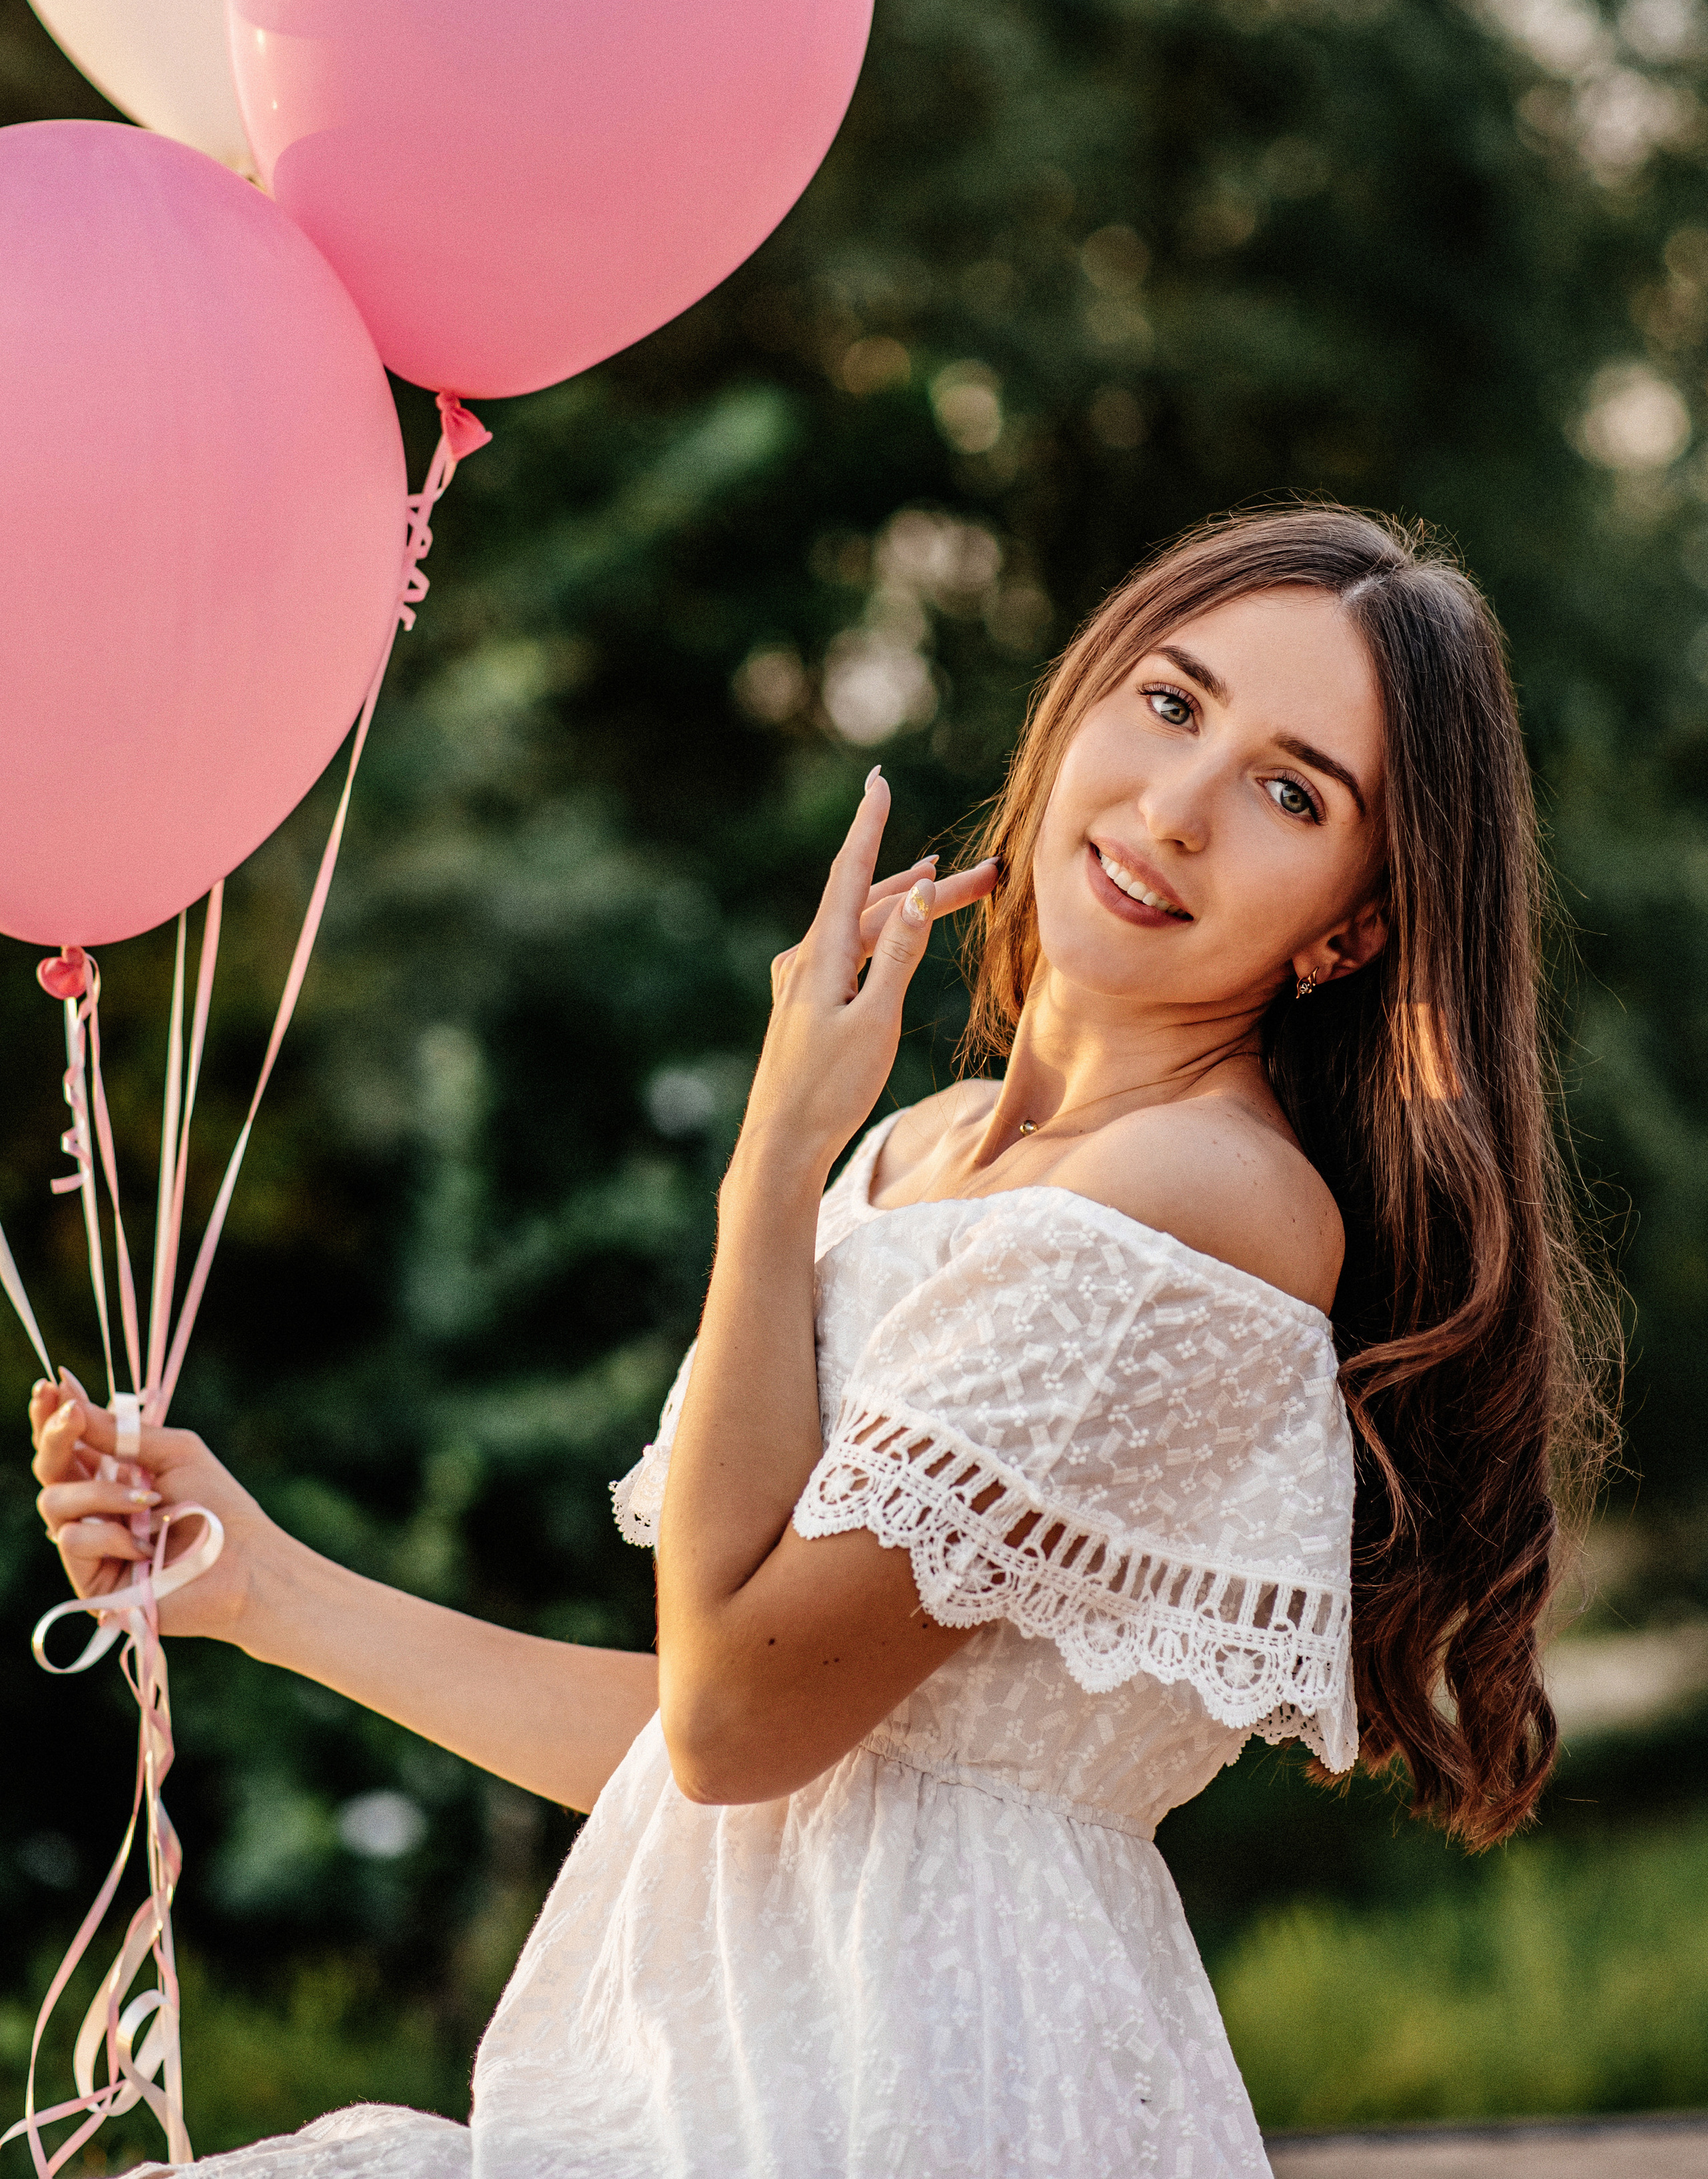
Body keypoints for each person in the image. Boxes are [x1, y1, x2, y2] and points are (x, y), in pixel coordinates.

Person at [30, 506, 1612, 2179]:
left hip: (920, 2092)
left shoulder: (1197, 1203)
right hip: (725, 2072)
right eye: (1167, 704)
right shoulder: (919, 1153)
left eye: (1289, 795)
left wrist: (770, 1164)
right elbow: (729, 1749)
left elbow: (727, 1731)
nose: (1172, 810)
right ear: (1077, 704)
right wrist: (263, 1592)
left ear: (1349, 928)